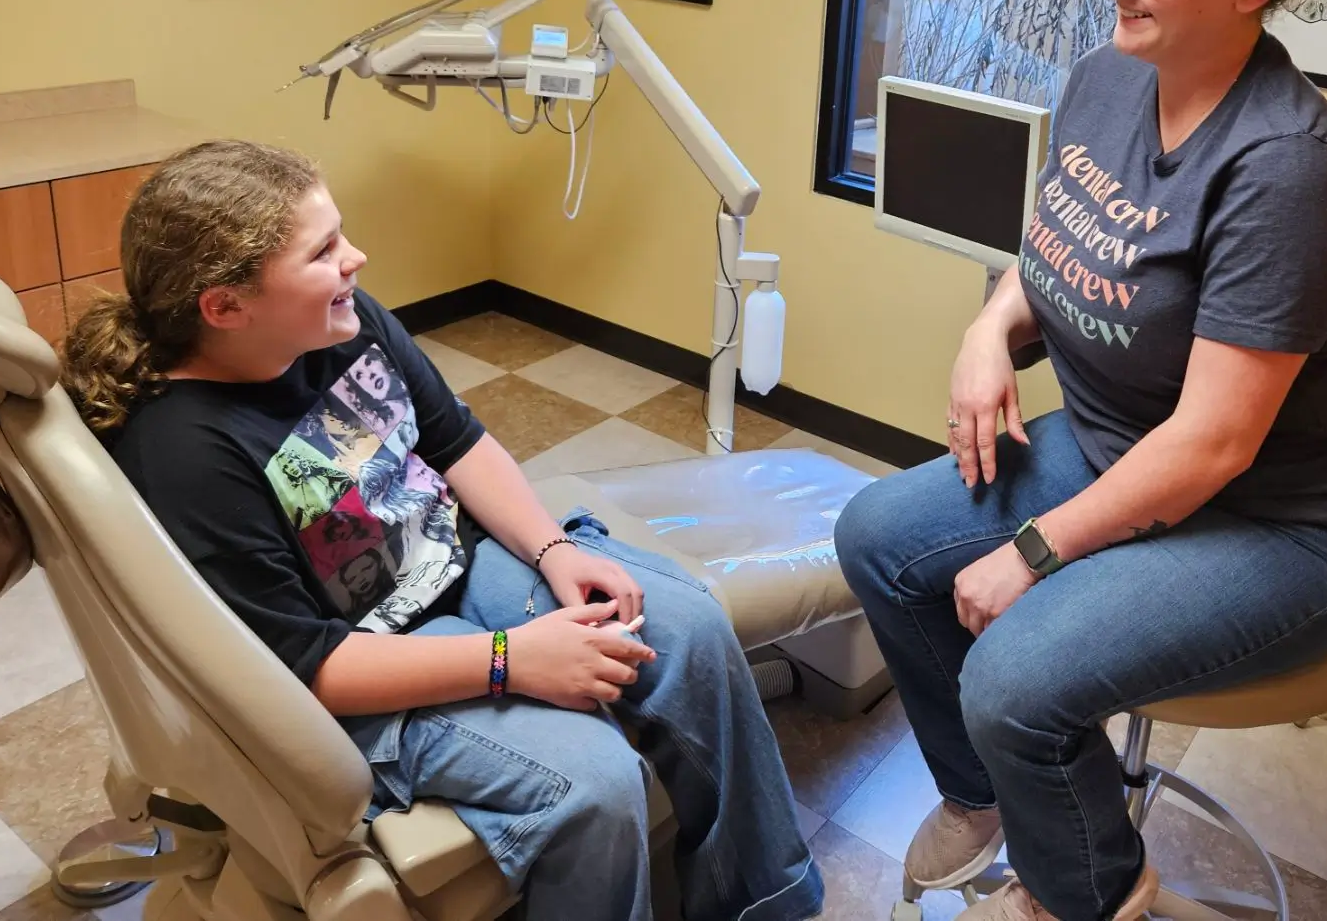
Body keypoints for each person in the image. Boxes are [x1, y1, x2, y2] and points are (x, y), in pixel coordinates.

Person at [834, 0, 1327, 921]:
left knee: (1013, 679)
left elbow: (1215, 444)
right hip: (1122, 449)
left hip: (1285, 523)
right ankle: (986, 793)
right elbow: (1057, 249)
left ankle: (1088, 892)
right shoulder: (1107, 77)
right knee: (877, 537)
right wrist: (986, 333)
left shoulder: (1289, 170)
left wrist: (1031, 553)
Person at [62, 139, 822, 921]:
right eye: (323, 251)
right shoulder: (186, 455)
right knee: (594, 783)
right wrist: (510, 661)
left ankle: (765, 901)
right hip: (357, 664)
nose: (355, 258)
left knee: (689, 630)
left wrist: (555, 549)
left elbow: (456, 443)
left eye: (340, 234)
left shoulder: (343, 323)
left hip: (456, 562)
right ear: (224, 307)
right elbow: (307, 666)